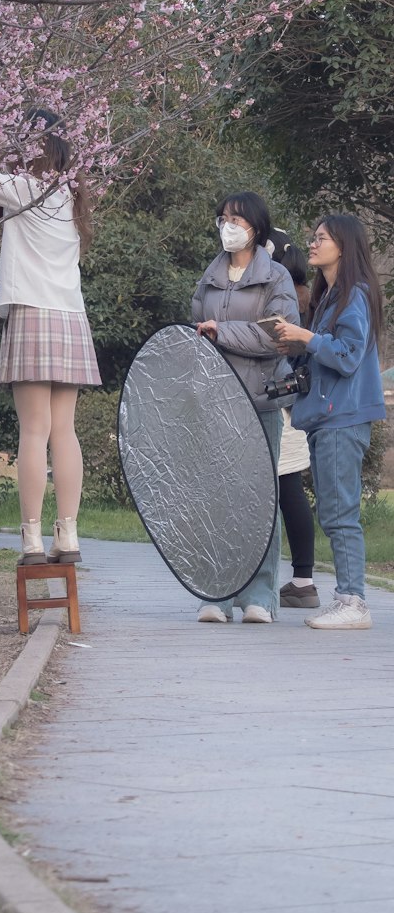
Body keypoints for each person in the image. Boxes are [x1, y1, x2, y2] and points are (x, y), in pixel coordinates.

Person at [0, 110, 100, 566]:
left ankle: (32, 540)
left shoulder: (22, 189)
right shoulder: (72, 198)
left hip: (33, 314)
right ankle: (69, 537)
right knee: (64, 432)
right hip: (71, 318)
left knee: (34, 432)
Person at [273, 214, 386, 631]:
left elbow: (348, 355)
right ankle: (348, 598)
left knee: (340, 513)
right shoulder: (329, 297)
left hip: (343, 419)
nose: (313, 244)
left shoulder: (354, 294)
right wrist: (294, 345)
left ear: (344, 245)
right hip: (327, 417)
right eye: (314, 237)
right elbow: (325, 355)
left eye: (321, 238)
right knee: (335, 512)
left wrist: (307, 339)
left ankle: (353, 601)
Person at [192, 192, 299, 624]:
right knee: (219, 498)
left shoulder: (276, 278)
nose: (227, 225)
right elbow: (195, 328)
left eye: (236, 219)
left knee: (260, 499)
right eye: (222, 218)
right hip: (216, 401)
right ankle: (218, 593)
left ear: (256, 226)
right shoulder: (210, 275)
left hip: (261, 400)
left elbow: (278, 336)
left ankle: (261, 594)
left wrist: (222, 332)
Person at [267, 229, 319, 610]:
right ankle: (303, 579)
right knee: (290, 492)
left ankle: (297, 581)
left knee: (283, 492)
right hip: (293, 405)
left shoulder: (284, 299)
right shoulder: (309, 297)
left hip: (278, 405)